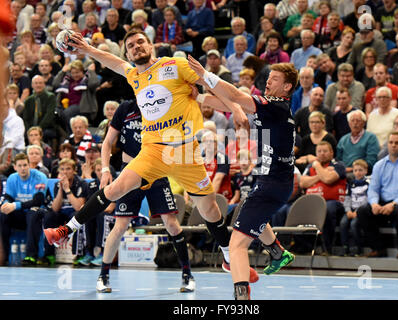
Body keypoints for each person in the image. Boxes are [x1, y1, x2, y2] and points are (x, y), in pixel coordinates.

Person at [44, 30, 259, 286]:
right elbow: (113, 61)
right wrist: (88, 49)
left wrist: (235, 106)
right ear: (128, 53)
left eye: (140, 42)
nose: (136, 47)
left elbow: (212, 84)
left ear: (151, 45)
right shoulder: (135, 75)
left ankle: (226, 256)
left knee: (209, 208)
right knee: (115, 188)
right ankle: (65, 230)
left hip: (184, 151)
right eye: (130, 45)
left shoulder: (176, 64)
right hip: (153, 150)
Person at [187, 56, 297, 300]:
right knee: (248, 213)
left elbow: (235, 96)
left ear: (287, 86)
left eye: (275, 79)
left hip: (273, 184)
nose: (268, 83)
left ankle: (242, 298)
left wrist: (205, 76)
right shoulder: (275, 106)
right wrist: (200, 97)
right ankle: (277, 252)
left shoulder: (276, 105)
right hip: (272, 181)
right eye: (267, 78)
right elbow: (229, 102)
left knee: (236, 245)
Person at [93, 99, 197, 292]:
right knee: (120, 225)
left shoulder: (163, 107)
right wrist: (106, 169)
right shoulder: (125, 108)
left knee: (172, 224)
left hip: (156, 171)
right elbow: (107, 142)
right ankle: (103, 275)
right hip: (130, 172)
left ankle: (187, 274)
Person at [357, 132, 398, 258]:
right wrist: (374, 203)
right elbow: (373, 188)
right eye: (391, 143)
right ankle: (378, 248)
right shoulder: (379, 165)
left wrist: (393, 203)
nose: (393, 146)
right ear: (387, 145)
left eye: (397, 143)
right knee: (363, 210)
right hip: (383, 201)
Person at [0, 153, 48, 265]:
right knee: (3, 215)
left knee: (32, 213)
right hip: (20, 215)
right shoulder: (12, 178)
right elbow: (8, 197)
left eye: (25, 165)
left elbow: (38, 201)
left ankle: (31, 256)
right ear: (15, 167)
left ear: (29, 165)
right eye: (20, 166)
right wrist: (6, 205)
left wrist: (14, 205)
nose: (23, 168)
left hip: (37, 213)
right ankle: (4, 256)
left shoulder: (40, 177)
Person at [299, 141, 347, 253]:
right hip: (312, 202)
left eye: (325, 151)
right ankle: (304, 247)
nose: (322, 154)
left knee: (327, 209)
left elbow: (328, 180)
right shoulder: (310, 166)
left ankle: (327, 248)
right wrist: (323, 173)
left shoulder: (338, 165)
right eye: (319, 151)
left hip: (333, 202)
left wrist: (317, 167)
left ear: (331, 153)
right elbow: (303, 183)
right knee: (293, 210)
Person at [42, 158, 90, 266]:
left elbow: (78, 207)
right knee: (49, 215)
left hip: (74, 213)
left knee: (77, 216)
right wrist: (60, 189)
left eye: (68, 169)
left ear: (74, 170)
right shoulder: (57, 184)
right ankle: (48, 254)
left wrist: (67, 190)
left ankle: (79, 254)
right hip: (62, 214)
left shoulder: (81, 184)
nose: (65, 172)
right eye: (62, 169)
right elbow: (55, 208)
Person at [336, 109, 380, 174]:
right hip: (344, 172)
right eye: (352, 121)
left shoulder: (371, 138)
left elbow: (371, 161)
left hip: (361, 173)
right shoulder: (343, 139)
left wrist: (352, 169)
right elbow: (338, 159)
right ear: (349, 123)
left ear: (363, 123)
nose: (355, 123)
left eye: (358, 121)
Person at [340, 159, 369, 256]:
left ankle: (358, 248)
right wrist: (348, 211)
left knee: (354, 224)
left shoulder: (367, 183)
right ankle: (345, 248)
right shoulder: (351, 184)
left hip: (360, 211)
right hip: (350, 210)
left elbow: (367, 199)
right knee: (343, 223)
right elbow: (347, 199)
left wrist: (357, 212)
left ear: (366, 171)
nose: (358, 172)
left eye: (360, 170)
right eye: (355, 170)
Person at [22, 75, 57, 140]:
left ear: (44, 84)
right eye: (36, 83)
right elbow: (26, 118)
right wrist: (29, 130)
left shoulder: (50, 97)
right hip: (31, 128)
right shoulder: (28, 100)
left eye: (40, 83)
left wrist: (39, 129)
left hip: (47, 127)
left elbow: (49, 115)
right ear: (32, 85)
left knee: (45, 134)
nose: (38, 85)